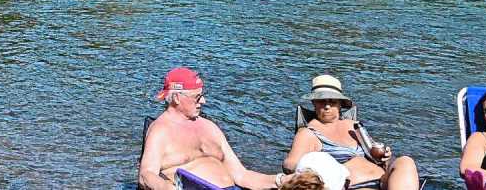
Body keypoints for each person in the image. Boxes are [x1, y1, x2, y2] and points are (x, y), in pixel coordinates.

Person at [139, 67, 288, 190]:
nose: (203, 101)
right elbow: (146, 175)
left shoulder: (209, 127)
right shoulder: (160, 130)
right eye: (197, 97)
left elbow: (242, 176)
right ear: (177, 98)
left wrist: (281, 180)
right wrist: (166, 188)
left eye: (202, 95)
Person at [284, 75, 419, 190]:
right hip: (353, 186)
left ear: (340, 103)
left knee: (405, 161)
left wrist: (386, 157)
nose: (327, 106)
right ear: (313, 102)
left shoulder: (352, 125)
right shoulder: (308, 133)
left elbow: (376, 154)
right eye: (321, 101)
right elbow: (290, 164)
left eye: (332, 101)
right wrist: (318, 169)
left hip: (383, 179)